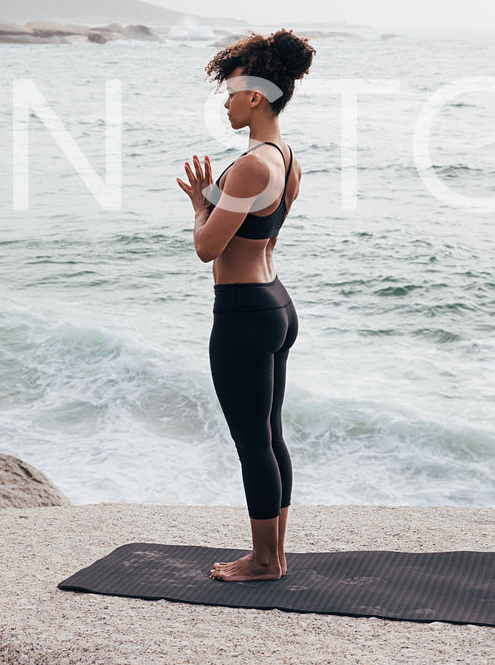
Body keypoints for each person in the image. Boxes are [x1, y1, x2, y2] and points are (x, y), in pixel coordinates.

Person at [176, 28, 315, 581]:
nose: (226, 104)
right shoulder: (286, 158)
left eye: (230, 93)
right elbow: (263, 232)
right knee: (270, 436)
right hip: (275, 303)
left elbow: (209, 247)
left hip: (244, 313)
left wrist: (196, 210)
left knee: (252, 443)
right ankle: (274, 554)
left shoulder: (253, 163)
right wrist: (210, 200)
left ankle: (262, 560)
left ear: (255, 96)